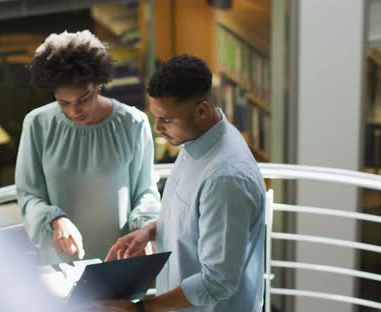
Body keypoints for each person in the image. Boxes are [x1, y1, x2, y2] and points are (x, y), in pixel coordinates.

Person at [103, 54, 266, 312]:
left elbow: (218, 282)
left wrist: (141, 309)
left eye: (166, 119)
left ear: (201, 110)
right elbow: (195, 217)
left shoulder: (224, 179)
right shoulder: (199, 137)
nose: (157, 127)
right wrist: (151, 231)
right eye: (155, 116)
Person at [15, 30, 160, 265]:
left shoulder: (132, 123)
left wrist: (144, 230)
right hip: (61, 261)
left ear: (99, 84)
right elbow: (29, 195)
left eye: (84, 99)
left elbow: (145, 192)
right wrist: (55, 220)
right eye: (64, 102)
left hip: (121, 259)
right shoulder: (38, 124)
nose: (75, 111)